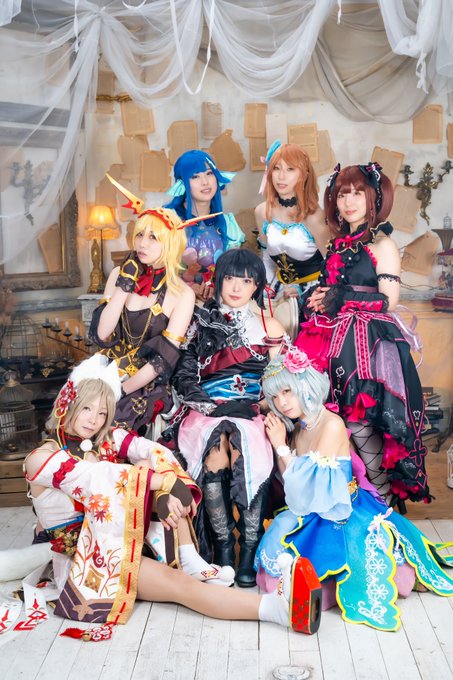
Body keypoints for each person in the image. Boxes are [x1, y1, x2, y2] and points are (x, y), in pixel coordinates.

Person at [18, 354, 312, 634]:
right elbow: (98, 479)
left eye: (102, 412)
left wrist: (164, 490)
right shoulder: (41, 459)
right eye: (86, 408)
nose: (94, 419)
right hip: (86, 561)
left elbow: (152, 450)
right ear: (67, 404)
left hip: (118, 537)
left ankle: (188, 555)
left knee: (153, 468)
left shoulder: (102, 439)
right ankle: (276, 610)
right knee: (180, 586)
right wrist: (160, 481)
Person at [254, 349, 453, 632]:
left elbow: (309, 489)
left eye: (287, 391)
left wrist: (280, 446)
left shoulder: (332, 425)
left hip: (340, 507)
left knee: (362, 563)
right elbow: (293, 486)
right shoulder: (299, 429)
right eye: (275, 397)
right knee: (280, 545)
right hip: (310, 507)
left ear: (306, 385)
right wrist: (281, 446)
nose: (282, 402)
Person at [295, 163, 430, 507]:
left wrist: (340, 296)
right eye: (342, 194)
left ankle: (382, 500)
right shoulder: (336, 244)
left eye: (357, 193)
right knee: (331, 420)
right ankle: (352, 501)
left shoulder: (383, 244)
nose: (349, 201)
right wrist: (317, 299)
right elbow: (330, 290)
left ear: (374, 198)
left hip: (368, 343)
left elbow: (388, 301)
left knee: (360, 422)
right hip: (330, 338)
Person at [172, 248, 286, 587]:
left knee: (245, 444)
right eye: (231, 279)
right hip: (205, 411)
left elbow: (281, 381)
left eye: (246, 281)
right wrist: (210, 407)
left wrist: (260, 405)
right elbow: (183, 374)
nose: (237, 287)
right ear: (219, 280)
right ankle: (223, 546)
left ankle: (248, 548)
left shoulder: (269, 325)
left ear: (257, 286)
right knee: (217, 444)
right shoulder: (199, 321)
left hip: (253, 411)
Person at [90, 178, 198, 433]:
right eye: (139, 235)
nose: (142, 244)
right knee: (74, 418)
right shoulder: (118, 275)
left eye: (153, 237)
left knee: (106, 425)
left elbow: (163, 359)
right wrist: (124, 285)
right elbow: (102, 334)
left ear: (170, 243)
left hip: (145, 385)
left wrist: (120, 390)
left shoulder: (182, 294)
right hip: (105, 372)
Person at [255, 141, 331, 311]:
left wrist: (307, 291)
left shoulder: (314, 217)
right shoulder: (262, 212)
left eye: (290, 169)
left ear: (304, 174)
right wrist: (265, 288)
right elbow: (267, 260)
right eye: (276, 168)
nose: (281, 176)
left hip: (313, 296)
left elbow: (333, 268)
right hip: (278, 291)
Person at [164, 149, 245, 300]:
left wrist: (216, 286)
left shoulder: (227, 224)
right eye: (195, 176)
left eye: (209, 173)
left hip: (216, 301)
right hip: (175, 301)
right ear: (182, 184)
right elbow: (156, 270)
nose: (205, 182)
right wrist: (187, 287)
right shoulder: (167, 221)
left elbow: (234, 271)